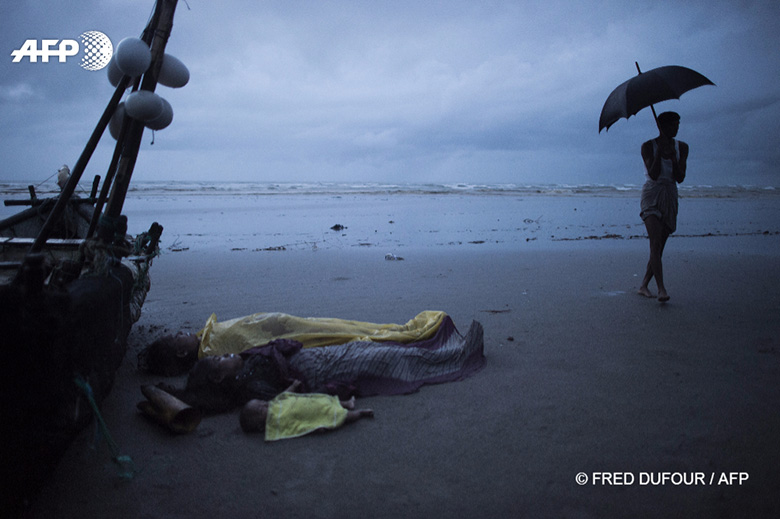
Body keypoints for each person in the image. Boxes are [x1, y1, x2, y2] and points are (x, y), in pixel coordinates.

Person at [151, 317, 485, 414]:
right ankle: (456, 356)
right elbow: (285, 401)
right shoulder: (249, 385)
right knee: (393, 358)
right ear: (223, 378)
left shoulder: (248, 364)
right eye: (220, 360)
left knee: (379, 348)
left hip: (326, 357)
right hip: (327, 372)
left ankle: (450, 351)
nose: (225, 355)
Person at [638, 111, 688, 302]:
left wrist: (673, 158)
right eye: (673, 124)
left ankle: (643, 285)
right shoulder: (647, 146)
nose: (676, 128)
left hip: (670, 193)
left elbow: (680, 177)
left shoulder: (682, 147)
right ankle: (661, 289)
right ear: (662, 126)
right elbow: (653, 173)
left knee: (660, 246)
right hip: (652, 193)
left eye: (678, 124)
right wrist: (659, 152)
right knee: (655, 243)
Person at [240, 380, 374, 441]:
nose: (265, 405)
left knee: (327, 400)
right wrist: (313, 428)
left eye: (262, 403)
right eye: (261, 410)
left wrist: (292, 386)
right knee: (340, 416)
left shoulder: (273, 404)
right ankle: (360, 413)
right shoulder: (277, 423)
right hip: (312, 416)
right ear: (259, 426)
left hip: (309, 402)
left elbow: (284, 395)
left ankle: (347, 403)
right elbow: (296, 427)